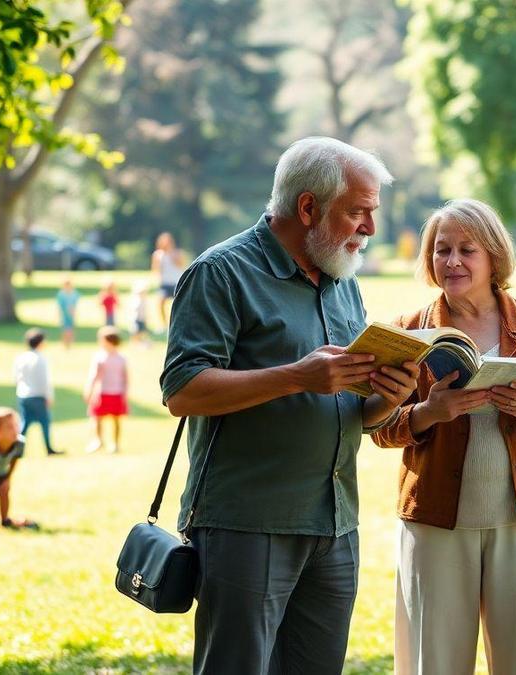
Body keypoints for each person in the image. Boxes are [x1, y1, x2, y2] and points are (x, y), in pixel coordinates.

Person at [161, 137, 415, 674]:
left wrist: (386, 398)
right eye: (358, 212)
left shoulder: (342, 279)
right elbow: (182, 390)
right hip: (249, 523)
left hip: (335, 525)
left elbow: (353, 410)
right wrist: (298, 377)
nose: (370, 228)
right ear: (307, 208)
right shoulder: (221, 273)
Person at [370, 199, 516, 675]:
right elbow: (378, 427)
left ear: (494, 256)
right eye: (441, 250)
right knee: (436, 660)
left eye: (466, 250)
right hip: (433, 520)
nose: (451, 261)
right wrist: (428, 414)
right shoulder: (409, 331)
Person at [14, 328, 62, 455]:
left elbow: (17, 377)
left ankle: (17, 449)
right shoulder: (40, 359)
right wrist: (48, 396)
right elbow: (44, 381)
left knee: (25, 423)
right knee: (45, 423)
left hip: (24, 395)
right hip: (37, 396)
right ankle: (48, 448)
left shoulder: (22, 358)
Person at [84, 326, 128, 454]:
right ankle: (98, 440)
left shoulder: (121, 358)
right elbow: (94, 376)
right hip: (102, 392)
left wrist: (125, 392)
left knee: (116, 419)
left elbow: (125, 377)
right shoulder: (100, 357)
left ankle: (115, 443)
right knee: (97, 417)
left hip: (117, 392)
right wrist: (90, 390)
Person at [151, 231, 187, 332]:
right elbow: (155, 269)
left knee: (179, 304)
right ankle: (163, 325)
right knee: (160, 302)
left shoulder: (177, 252)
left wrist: (171, 255)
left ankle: (179, 324)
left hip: (176, 282)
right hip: (164, 283)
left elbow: (181, 264)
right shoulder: (158, 255)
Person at [56, 277, 80, 349]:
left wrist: (74, 312)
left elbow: (75, 303)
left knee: (71, 328)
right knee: (65, 329)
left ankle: (70, 343)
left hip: (71, 314)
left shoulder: (74, 293)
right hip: (64, 314)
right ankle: (65, 343)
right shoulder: (61, 294)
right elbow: (60, 305)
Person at [128, 281, 151, 348]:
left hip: (142, 318)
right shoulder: (136, 300)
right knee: (136, 331)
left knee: (142, 331)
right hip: (136, 319)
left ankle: (141, 342)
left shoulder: (144, 301)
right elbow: (133, 310)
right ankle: (134, 342)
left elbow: (145, 311)